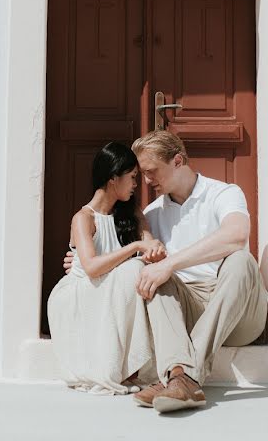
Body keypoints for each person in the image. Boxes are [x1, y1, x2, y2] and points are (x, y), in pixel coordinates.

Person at [64, 131, 268, 412]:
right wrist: (78, 261)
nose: (146, 181)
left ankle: (182, 374)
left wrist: (170, 263)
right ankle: (181, 379)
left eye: (151, 172)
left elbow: (236, 235)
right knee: (150, 274)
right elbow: (123, 264)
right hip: (188, 312)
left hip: (237, 310)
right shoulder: (152, 213)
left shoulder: (223, 193)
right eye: (141, 174)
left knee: (241, 261)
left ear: (178, 160)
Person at [47, 141, 167, 395]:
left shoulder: (130, 214)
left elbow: (150, 244)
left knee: (141, 271)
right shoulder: (83, 219)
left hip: (111, 290)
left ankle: (139, 367)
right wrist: (135, 246)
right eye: (132, 177)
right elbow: (91, 267)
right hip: (80, 294)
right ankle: (119, 368)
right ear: (114, 178)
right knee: (134, 268)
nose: (137, 184)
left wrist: (152, 247)